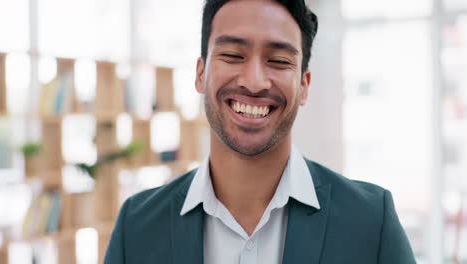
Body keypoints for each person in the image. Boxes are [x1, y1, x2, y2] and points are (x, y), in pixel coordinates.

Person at [104, 0, 416, 263]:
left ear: (304, 86)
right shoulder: (137, 226)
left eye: (279, 60)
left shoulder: (372, 222)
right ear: (201, 74)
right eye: (232, 55)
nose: (254, 82)